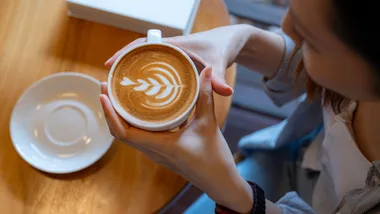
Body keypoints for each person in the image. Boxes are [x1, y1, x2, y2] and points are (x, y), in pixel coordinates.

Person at [99, 0, 380, 213]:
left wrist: (232, 192)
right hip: (289, 156)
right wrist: (244, 40)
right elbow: (318, 70)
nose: (284, 27)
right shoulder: (356, 74)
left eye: (311, 42)